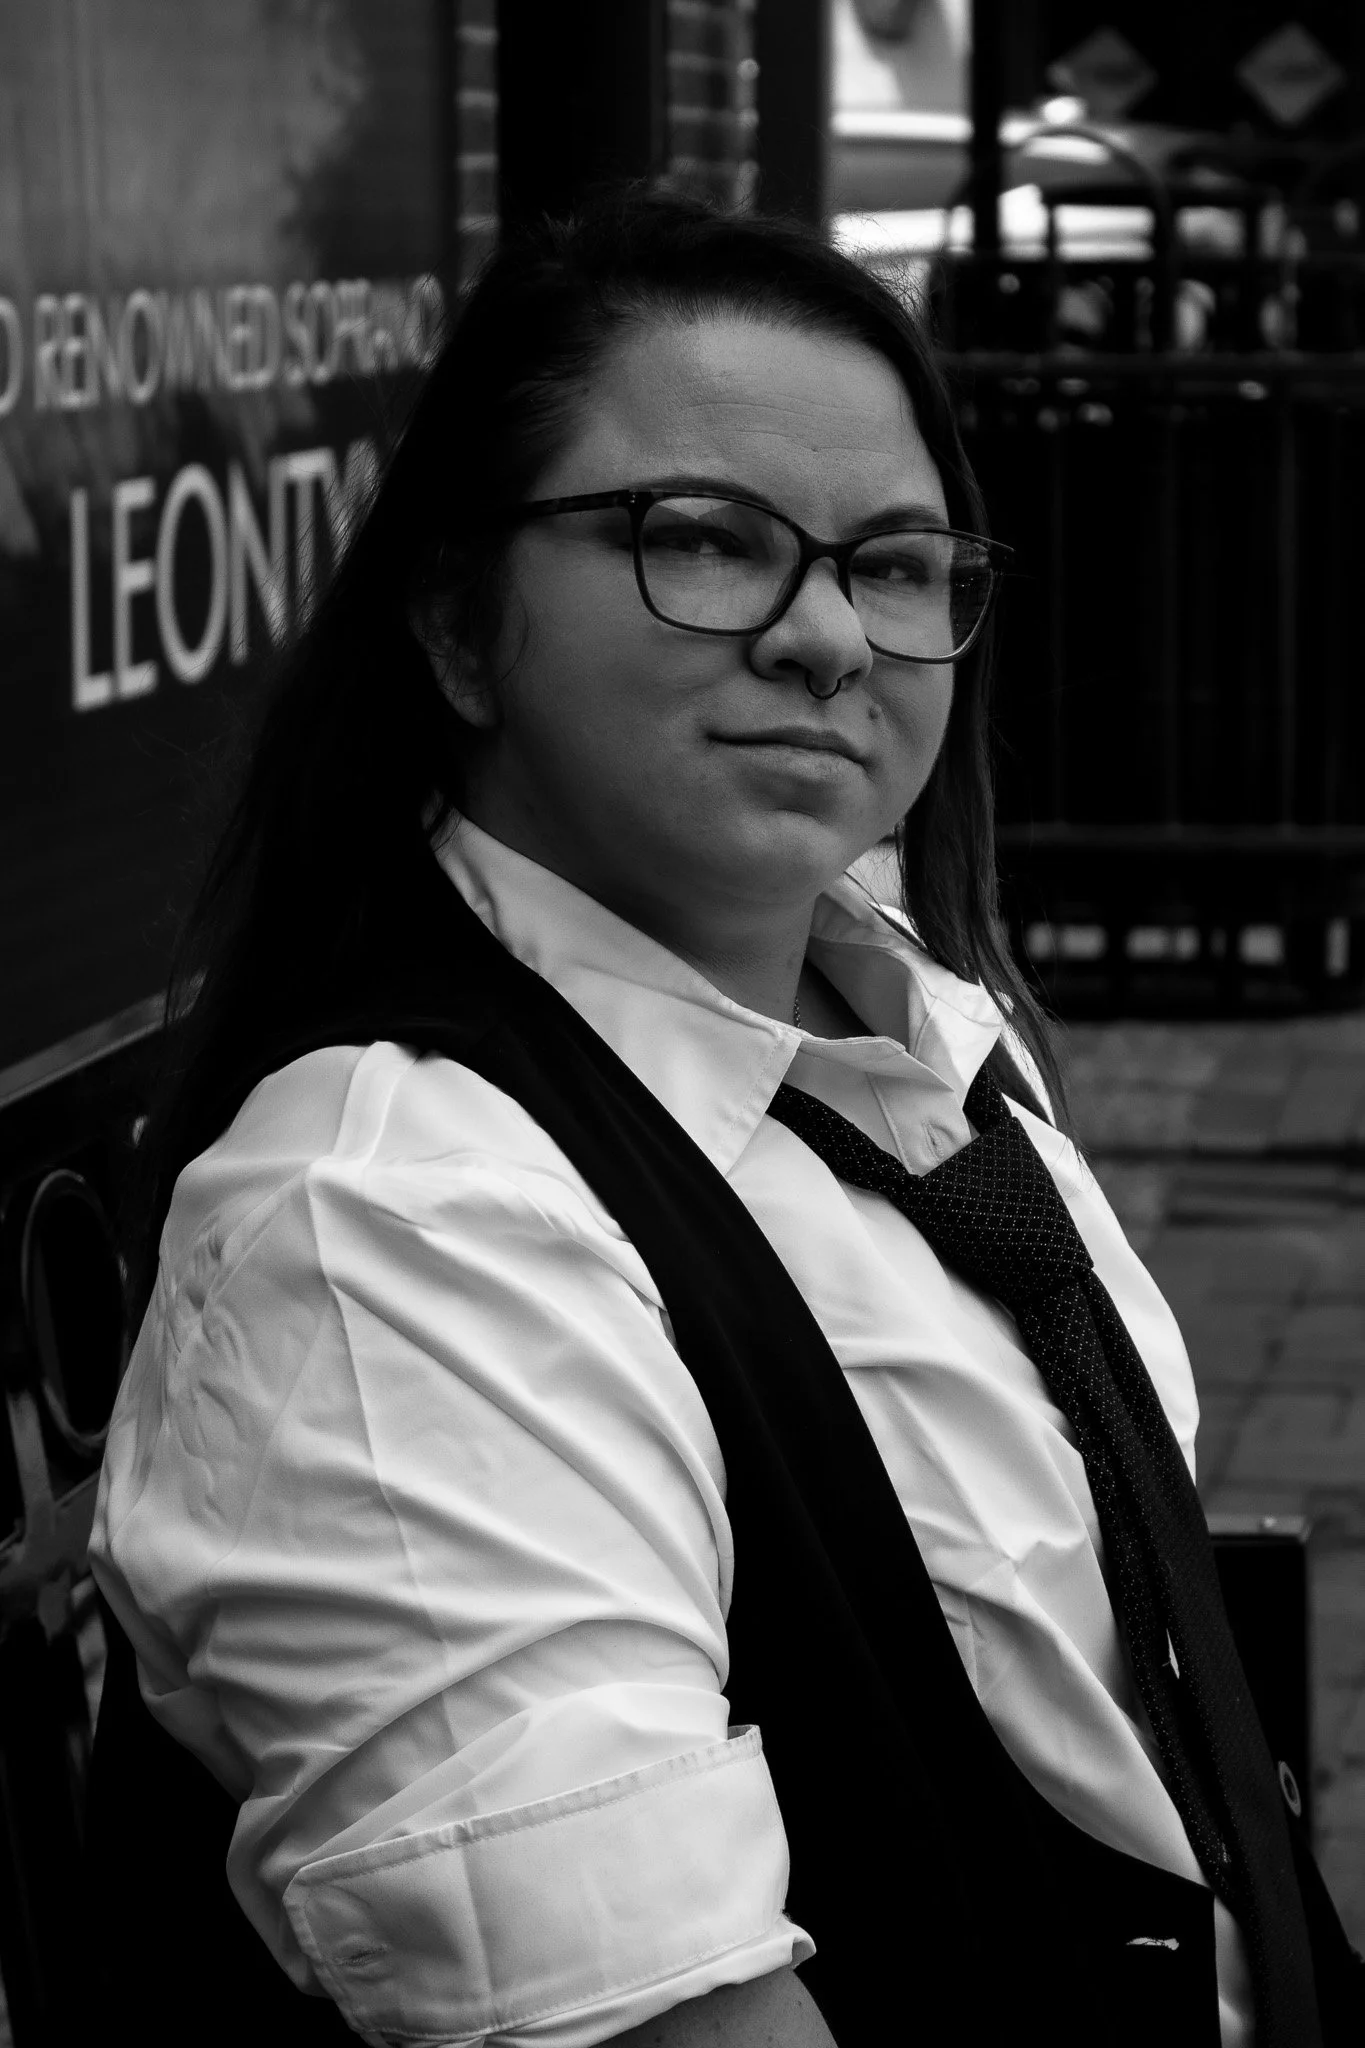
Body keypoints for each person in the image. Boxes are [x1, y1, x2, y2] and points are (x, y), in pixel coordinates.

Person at [85, 190, 1361, 2048]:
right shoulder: (398, 1233)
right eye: (705, 540)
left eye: (902, 562)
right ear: (455, 625)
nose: (831, 637)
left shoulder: (899, 1012)